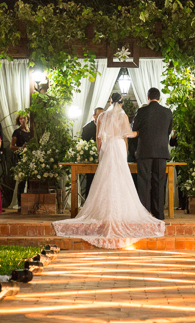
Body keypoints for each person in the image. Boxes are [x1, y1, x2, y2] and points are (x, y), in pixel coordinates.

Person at [53, 93, 165, 248]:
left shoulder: (102, 117)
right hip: (118, 146)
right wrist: (126, 149)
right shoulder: (123, 116)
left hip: (107, 147)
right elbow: (126, 136)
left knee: (105, 178)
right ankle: (122, 212)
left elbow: (99, 138)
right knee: (121, 178)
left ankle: (102, 212)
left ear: (110, 101)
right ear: (122, 102)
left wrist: (101, 153)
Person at [132, 88, 173, 220]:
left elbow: (134, 129)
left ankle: (144, 213)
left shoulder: (141, 111)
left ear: (148, 97)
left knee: (144, 182)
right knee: (159, 182)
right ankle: (159, 213)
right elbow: (168, 131)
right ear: (159, 98)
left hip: (145, 151)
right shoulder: (167, 112)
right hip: (161, 151)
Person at [79, 107, 104, 201]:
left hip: (105, 157)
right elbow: (84, 143)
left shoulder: (107, 126)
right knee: (91, 181)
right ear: (94, 116)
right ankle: (89, 201)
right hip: (92, 159)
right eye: (99, 115)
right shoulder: (87, 128)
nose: (102, 118)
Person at [11, 113, 32, 207]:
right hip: (21, 158)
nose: (22, 120)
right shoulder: (17, 132)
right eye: (20, 119)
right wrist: (21, 148)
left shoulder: (31, 131)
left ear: (27, 119)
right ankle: (20, 203)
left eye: (23, 118)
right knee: (21, 181)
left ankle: (30, 202)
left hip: (31, 158)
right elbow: (12, 147)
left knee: (31, 180)